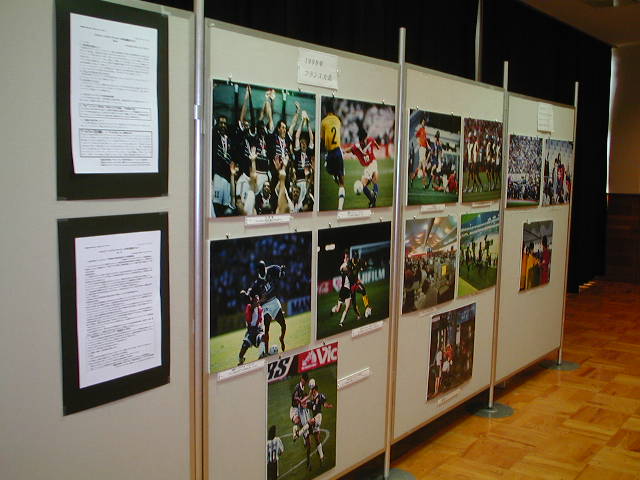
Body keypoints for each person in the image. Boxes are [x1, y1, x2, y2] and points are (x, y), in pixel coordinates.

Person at [241, 260, 287, 354]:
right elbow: (250, 292)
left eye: (263, 270)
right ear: (259, 272)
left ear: (265, 268)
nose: (263, 272)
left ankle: (281, 338)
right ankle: (266, 352)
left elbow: (280, 274)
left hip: (274, 301)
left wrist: (282, 271)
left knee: (283, 325)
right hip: (265, 305)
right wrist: (246, 294)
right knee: (267, 328)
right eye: (261, 271)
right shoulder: (257, 283)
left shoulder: (272, 269)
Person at [298, 381, 334, 470]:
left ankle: (299, 433)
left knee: (310, 421)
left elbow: (324, 404)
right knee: (317, 439)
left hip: (318, 417)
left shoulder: (320, 396)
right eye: (311, 390)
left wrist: (328, 405)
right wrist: (307, 397)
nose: (312, 391)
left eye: (313, 390)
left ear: (316, 389)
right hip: (315, 420)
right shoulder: (311, 401)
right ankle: (322, 457)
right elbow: (303, 405)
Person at [344, 129, 380, 207]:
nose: (363, 142)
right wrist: (343, 151)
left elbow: (375, 143)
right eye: (361, 141)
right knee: (373, 181)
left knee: (363, 185)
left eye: (364, 140)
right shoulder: (357, 146)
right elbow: (350, 149)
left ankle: (373, 198)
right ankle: (374, 195)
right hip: (370, 165)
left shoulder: (370, 140)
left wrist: (377, 146)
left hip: (371, 164)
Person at [321, 103, 345, 210]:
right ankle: (340, 208)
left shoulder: (323, 121)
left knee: (327, 169)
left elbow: (323, 139)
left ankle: (334, 174)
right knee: (342, 183)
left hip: (330, 153)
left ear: (326, 111)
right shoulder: (338, 120)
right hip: (338, 152)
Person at [212, 115, 233, 217]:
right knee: (216, 204)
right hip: (218, 175)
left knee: (226, 206)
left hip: (227, 177)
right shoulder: (215, 137)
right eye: (221, 123)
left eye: (225, 123)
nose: (223, 125)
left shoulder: (229, 140)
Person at [237, 294, 266, 366]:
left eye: (258, 300)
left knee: (263, 337)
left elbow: (263, 319)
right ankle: (241, 359)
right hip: (250, 332)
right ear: (252, 302)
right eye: (256, 300)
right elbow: (252, 306)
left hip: (258, 331)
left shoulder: (260, 309)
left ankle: (261, 355)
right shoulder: (249, 307)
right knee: (243, 350)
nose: (258, 302)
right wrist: (247, 295)